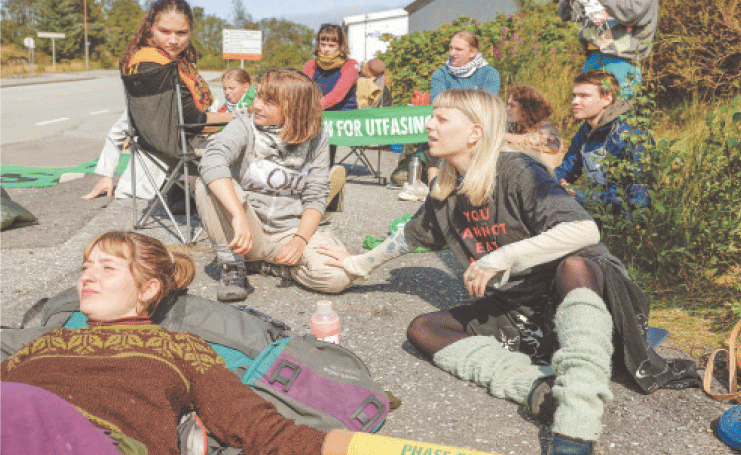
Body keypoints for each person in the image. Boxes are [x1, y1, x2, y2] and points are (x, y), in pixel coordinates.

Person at [319, 89, 698, 455]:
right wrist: (356, 265)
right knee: (423, 329)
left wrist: (498, 258)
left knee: (574, 265)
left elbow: (585, 230)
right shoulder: (445, 188)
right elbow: (408, 237)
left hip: (586, 293)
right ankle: (538, 388)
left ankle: (577, 419)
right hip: (525, 308)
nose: (429, 125)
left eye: (441, 119)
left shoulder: (517, 169)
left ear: (475, 132)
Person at [0, 231, 339, 455]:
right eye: (86, 267)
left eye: (107, 268)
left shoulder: (181, 348)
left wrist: (361, 448)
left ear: (147, 289)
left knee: (20, 404)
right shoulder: (47, 342)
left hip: (104, 443)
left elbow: (256, 426)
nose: (87, 276)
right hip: (20, 433)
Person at [196, 69, 353, 302]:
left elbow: (316, 195)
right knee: (208, 183)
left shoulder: (317, 138)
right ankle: (233, 265)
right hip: (247, 232)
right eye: (258, 96)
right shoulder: (244, 123)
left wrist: (300, 240)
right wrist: (237, 215)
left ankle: (269, 266)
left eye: (268, 101)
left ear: (294, 108)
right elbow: (212, 158)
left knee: (338, 277)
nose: (256, 105)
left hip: (289, 233)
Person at [82, 0, 232, 201]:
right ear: (150, 28)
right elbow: (194, 120)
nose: (173, 40)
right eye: (165, 31)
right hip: (185, 151)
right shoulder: (155, 68)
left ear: (190, 31)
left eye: (181, 33)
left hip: (173, 154)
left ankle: (184, 187)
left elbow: (126, 121)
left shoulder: (169, 61)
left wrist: (107, 174)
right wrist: (238, 116)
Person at [394, 30, 501, 196]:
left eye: (458, 49)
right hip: (448, 124)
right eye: (451, 48)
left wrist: (457, 107)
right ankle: (435, 191)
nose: (452, 53)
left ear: (473, 52)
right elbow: (438, 103)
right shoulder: (441, 73)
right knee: (435, 135)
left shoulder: (489, 74)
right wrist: (467, 105)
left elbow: (486, 106)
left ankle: (474, 186)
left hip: (476, 127)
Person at [555, 70, 652, 211]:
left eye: (584, 96)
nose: (575, 102)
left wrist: (576, 194)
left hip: (624, 217)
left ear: (607, 99)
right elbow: (566, 169)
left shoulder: (627, 133)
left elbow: (632, 197)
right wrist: (551, 182)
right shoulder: (586, 129)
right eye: (574, 96)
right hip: (597, 208)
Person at [557, 0, 658, 97]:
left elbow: (633, 13)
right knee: (586, 106)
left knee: (619, 106)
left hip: (622, 61)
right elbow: (570, 15)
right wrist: (569, 0)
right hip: (593, 58)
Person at [303, 24, 358, 169]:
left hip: (341, 114)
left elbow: (337, 95)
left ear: (340, 46)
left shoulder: (350, 65)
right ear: (318, 44)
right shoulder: (310, 65)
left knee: (321, 129)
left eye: (332, 45)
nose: (326, 49)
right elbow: (304, 92)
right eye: (323, 44)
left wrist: (311, 109)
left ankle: (322, 170)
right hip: (316, 113)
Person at [505, 84, 563, 171]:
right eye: (508, 104)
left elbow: (532, 140)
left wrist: (500, 135)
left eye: (512, 106)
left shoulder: (545, 125)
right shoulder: (516, 124)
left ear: (526, 109)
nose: (507, 109)